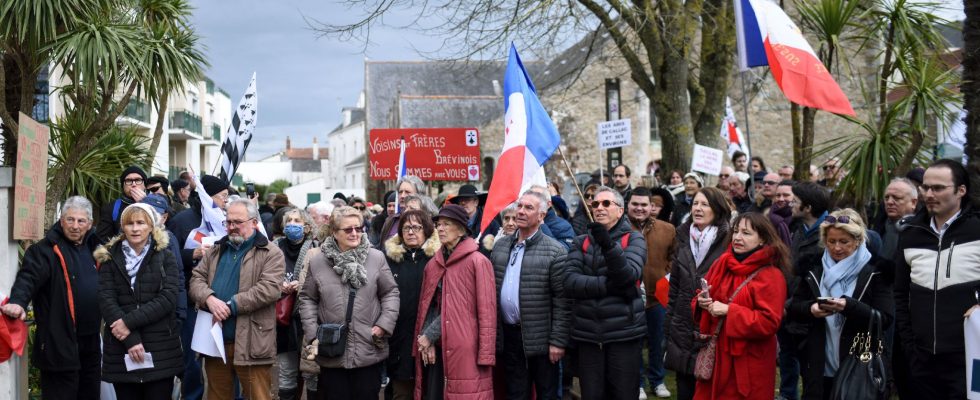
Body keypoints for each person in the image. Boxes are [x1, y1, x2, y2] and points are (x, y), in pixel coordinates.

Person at [894, 159, 980, 398]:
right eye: (925, 187)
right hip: (921, 359)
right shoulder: (910, 234)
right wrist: (910, 347)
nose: (929, 194)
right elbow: (900, 293)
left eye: (938, 188)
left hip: (968, 357)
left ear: (961, 190)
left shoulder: (976, 230)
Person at [1, 197, 102, 400]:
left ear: (89, 224)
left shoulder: (96, 248)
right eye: (70, 219)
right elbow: (28, 278)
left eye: (81, 221)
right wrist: (18, 302)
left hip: (90, 343)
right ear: (61, 220)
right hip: (58, 343)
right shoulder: (44, 250)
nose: (75, 226)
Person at [787, 209, 893, 400]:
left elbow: (885, 318)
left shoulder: (876, 272)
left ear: (858, 240)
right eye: (831, 241)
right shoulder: (813, 268)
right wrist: (811, 309)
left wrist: (849, 307)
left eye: (844, 242)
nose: (836, 248)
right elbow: (794, 307)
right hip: (818, 362)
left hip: (858, 364)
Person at [298, 206, 400, 400]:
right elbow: (307, 299)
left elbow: (390, 293)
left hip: (368, 348)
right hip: (331, 350)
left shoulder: (376, 257)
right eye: (348, 229)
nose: (355, 233)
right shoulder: (318, 261)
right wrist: (313, 334)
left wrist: (383, 325)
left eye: (358, 228)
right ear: (334, 232)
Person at [188, 198, 285, 400]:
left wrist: (231, 306)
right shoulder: (217, 249)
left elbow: (269, 289)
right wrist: (210, 299)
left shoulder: (270, 252)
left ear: (254, 222)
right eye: (228, 222)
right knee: (217, 395)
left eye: (237, 222)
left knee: (258, 396)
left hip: (252, 340)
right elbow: (196, 279)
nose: (232, 227)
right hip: (216, 340)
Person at [693, 212, 789, 399]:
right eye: (736, 231)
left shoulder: (771, 275)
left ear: (762, 239)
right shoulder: (722, 263)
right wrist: (701, 302)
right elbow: (701, 298)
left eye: (746, 233)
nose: (737, 237)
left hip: (748, 362)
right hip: (716, 354)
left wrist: (730, 311)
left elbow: (769, 322)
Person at [564, 186, 647, 400]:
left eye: (606, 203)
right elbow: (571, 282)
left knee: (623, 394)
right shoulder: (580, 241)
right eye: (595, 204)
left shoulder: (634, 239)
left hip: (623, 334)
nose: (599, 207)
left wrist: (608, 245)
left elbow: (628, 276)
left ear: (620, 211)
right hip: (588, 335)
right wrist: (610, 287)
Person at [95, 203, 183, 399]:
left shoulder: (166, 257)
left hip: (160, 347)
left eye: (140, 223)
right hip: (121, 348)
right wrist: (131, 338)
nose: (135, 229)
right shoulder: (109, 259)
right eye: (129, 224)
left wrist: (127, 322)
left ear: (151, 226)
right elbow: (106, 298)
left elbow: (168, 298)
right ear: (122, 227)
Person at [490, 190, 570, 400]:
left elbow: (562, 301)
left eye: (528, 208)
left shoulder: (555, 251)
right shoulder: (500, 247)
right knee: (516, 393)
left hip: (543, 342)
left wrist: (558, 342)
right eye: (519, 206)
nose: (521, 212)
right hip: (509, 337)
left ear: (542, 216)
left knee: (546, 394)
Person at [414, 204, 497, 400]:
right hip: (438, 346)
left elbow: (486, 311)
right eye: (438, 225)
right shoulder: (433, 264)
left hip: (466, 347)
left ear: (461, 229)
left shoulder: (478, 262)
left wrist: (485, 353)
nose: (440, 229)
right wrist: (428, 340)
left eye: (446, 224)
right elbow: (428, 306)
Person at [664, 187, 732, 400]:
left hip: (712, 327)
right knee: (684, 388)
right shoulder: (683, 236)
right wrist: (670, 324)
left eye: (705, 204)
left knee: (709, 389)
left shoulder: (728, 240)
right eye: (695, 203)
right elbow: (674, 287)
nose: (698, 208)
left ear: (717, 209)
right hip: (683, 325)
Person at [383, 209, 440, 400]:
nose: (411, 232)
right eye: (406, 228)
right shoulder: (390, 260)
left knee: (430, 391)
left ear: (427, 231)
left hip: (430, 337)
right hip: (399, 338)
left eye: (417, 227)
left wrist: (431, 334)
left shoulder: (437, 259)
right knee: (402, 391)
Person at [627, 187, 676, 398]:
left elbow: (675, 258)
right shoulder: (619, 229)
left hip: (657, 298)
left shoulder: (667, 229)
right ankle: (636, 383)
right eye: (635, 204)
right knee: (633, 344)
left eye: (643, 204)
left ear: (651, 206)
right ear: (628, 205)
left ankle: (657, 380)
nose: (639, 208)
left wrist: (666, 276)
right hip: (629, 298)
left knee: (658, 342)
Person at [272, 208, 319, 400]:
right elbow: (264, 275)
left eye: (297, 221)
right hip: (283, 320)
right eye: (289, 220)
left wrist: (302, 284)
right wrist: (277, 285)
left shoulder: (316, 248)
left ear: (306, 226)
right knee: (286, 371)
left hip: (307, 319)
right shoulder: (274, 247)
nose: (292, 224)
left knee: (311, 371)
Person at [97, 165, 148, 243]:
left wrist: (145, 203)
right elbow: (102, 239)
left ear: (144, 185)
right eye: (128, 181)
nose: (133, 184)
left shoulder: (154, 204)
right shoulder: (111, 208)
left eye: (138, 180)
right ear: (123, 186)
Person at [528, 184, 575, 249]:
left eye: (538, 197)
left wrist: (542, 226)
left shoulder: (564, 227)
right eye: (529, 197)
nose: (531, 202)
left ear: (548, 204)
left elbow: (564, 252)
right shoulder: (520, 223)